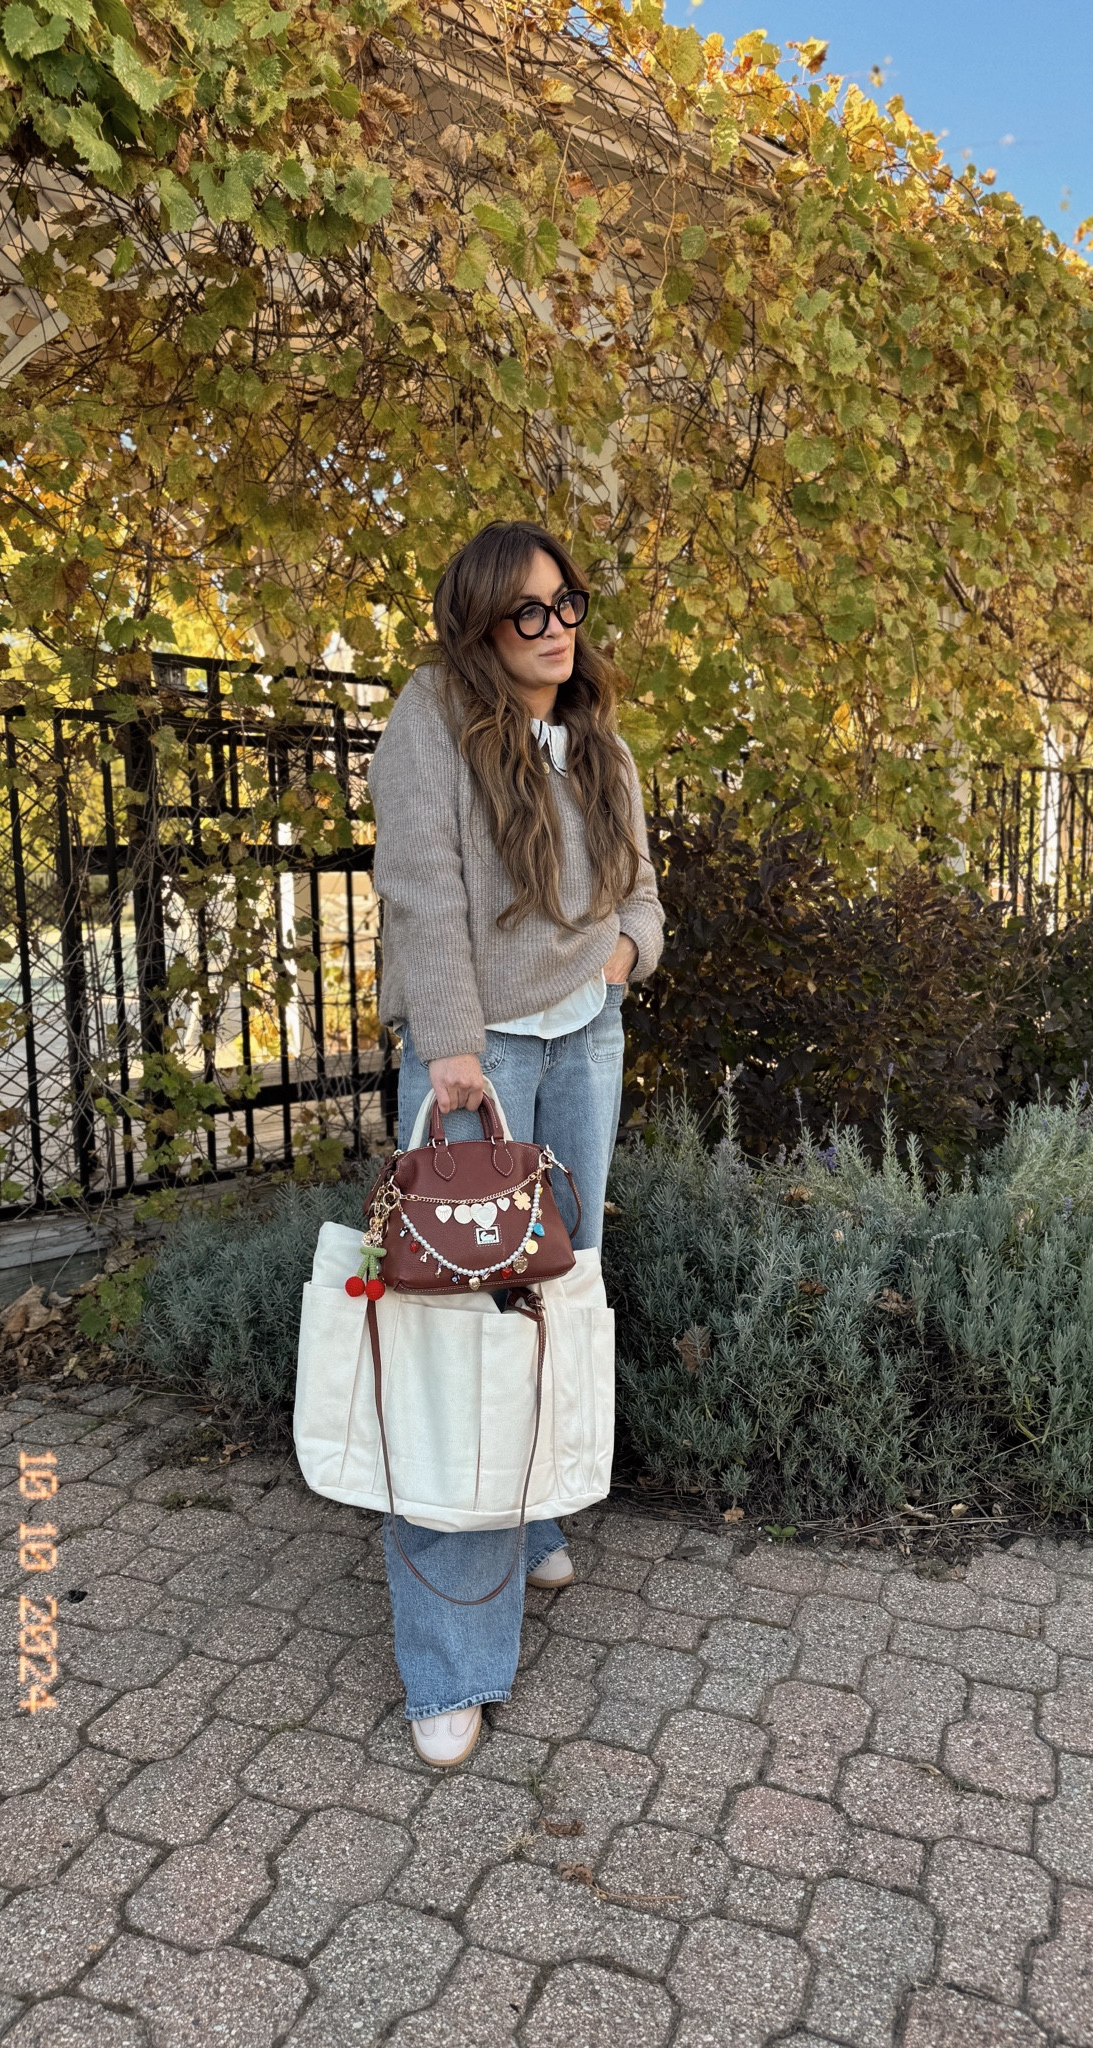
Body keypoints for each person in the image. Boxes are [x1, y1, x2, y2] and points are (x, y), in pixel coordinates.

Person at [368, 519, 664, 1767]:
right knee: (454, 1328)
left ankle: (535, 1509)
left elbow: (643, 886)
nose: (555, 628)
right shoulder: (431, 715)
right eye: (526, 611)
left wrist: (621, 956)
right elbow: (419, 883)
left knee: (558, 1294)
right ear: (479, 622)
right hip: (477, 1056)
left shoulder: (598, 736)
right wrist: (449, 1046)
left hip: (583, 1039)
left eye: (567, 603)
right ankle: (451, 1664)